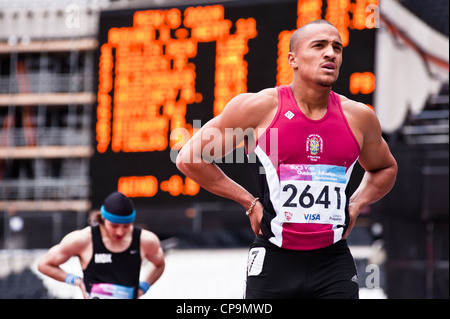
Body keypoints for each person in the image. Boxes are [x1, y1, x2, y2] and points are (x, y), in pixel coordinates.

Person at [176, 19, 397, 299]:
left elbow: (386, 168)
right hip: (274, 257)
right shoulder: (258, 109)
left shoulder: (359, 117)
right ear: (292, 59)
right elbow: (189, 157)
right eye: (319, 46)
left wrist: (356, 203)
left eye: (337, 48)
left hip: (333, 262)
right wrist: (248, 202)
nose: (330, 53)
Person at [38, 191, 165, 299]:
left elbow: (159, 264)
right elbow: (44, 264)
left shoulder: (145, 240)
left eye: (126, 226)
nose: (120, 232)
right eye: (114, 226)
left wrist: (143, 287)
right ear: (103, 218)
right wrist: (76, 281)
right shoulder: (82, 239)